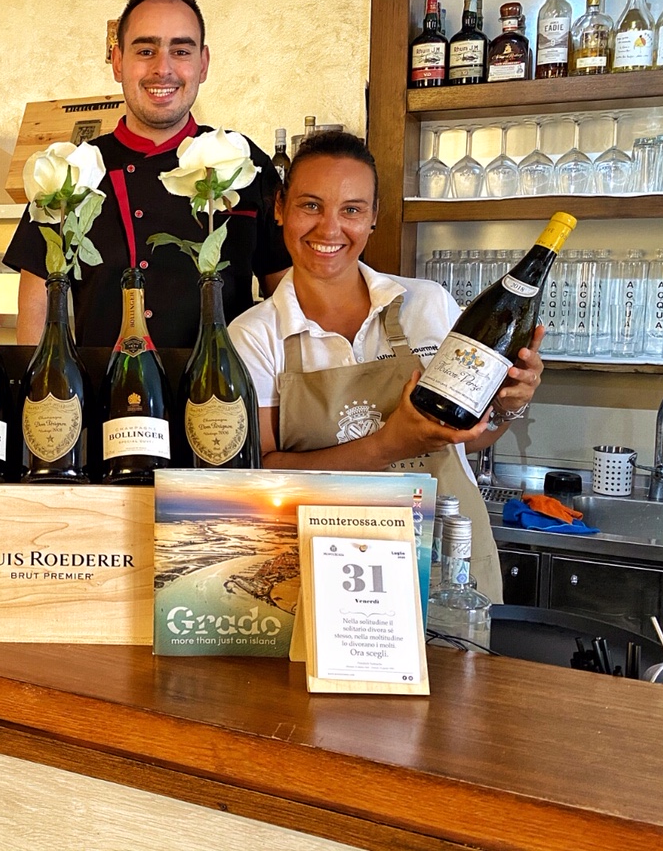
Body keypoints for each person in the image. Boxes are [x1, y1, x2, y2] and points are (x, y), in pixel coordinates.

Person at [228, 132, 545, 602]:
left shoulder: (428, 304)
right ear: (279, 208)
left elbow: (469, 439)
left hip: (448, 562)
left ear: (374, 216)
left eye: (352, 209)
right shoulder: (253, 335)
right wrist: (390, 444)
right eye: (311, 206)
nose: (329, 229)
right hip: (321, 573)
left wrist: (507, 404)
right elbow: (263, 474)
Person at [4, 0, 290, 348]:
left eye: (181, 51)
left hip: (222, 382)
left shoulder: (242, 160)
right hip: (100, 384)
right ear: (117, 62)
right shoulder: (69, 171)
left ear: (203, 64)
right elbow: (36, 309)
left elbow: (285, 295)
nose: (163, 68)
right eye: (145, 50)